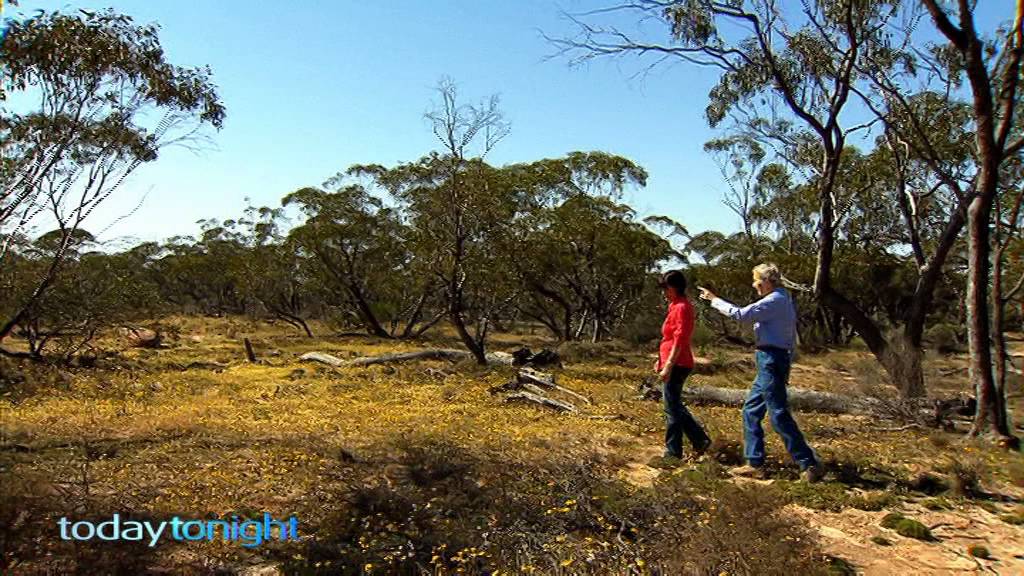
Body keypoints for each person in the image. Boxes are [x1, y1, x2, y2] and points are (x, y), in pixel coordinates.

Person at [698, 263, 825, 483]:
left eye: (756, 281)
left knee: (778, 414)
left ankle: (809, 463)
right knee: (751, 410)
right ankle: (754, 462)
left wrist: (713, 300)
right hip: (772, 358)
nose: (754, 285)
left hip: (771, 359)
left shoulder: (774, 301)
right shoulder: (782, 299)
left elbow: (741, 314)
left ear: (766, 281)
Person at [650, 270, 711, 468]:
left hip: (678, 364)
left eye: (666, 288)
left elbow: (680, 339)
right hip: (671, 361)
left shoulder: (683, 307)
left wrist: (668, 365)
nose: (664, 293)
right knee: (674, 405)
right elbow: (667, 338)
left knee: (671, 409)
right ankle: (700, 440)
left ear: (674, 287)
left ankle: (673, 452)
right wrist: (660, 360)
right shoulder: (674, 306)